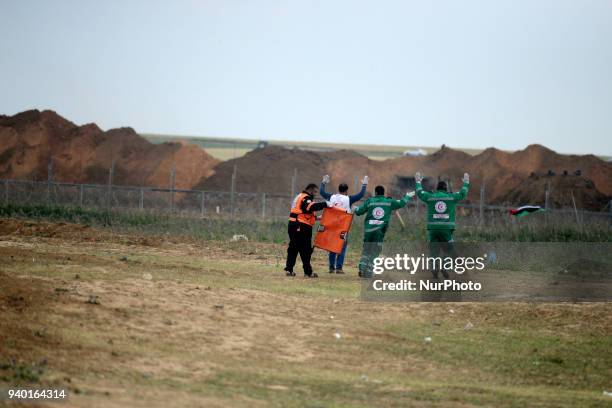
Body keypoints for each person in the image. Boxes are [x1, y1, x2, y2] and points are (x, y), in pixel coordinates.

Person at [415, 172, 470, 278]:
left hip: (433, 229)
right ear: (446, 189)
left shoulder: (431, 197)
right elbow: (463, 193)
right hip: (446, 230)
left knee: (433, 250)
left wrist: (418, 182)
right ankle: (444, 266)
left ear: (437, 188)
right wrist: (466, 182)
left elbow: (420, 193)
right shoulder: (451, 197)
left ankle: (434, 270)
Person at [354, 185, 415, 278]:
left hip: (368, 231)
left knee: (366, 251)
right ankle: (368, 272)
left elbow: (358, 212)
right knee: (374, 252)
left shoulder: (370, 201)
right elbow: (402, 203)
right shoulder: (389, 202)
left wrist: (355, 208)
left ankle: (362, 268)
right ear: (383, 193)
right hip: (379, 232)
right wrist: (407, 196)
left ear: (376, 193)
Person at [319, 174, 368, 274]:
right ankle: (339, 268)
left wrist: (323, 183)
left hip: (331, 226)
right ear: (346, 190)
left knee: (332, 246)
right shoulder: (349, 199)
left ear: (338, 189)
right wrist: (364, 185)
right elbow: (361, 195)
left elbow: (321, 192)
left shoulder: (331, 197)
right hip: (342, 227)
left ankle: (331, 268)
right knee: (342, 247)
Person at [284, 183, 328, 278]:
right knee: (306, 250)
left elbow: (303, 212)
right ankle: (308, 272)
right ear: (311, 190)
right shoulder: (306, 197)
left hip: (293, 224)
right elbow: (309, 207)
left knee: (293, 248)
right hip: (301, 226)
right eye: (315, 192)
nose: (315, 194)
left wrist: (317, 218)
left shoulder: (299, 196)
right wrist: (326, 204)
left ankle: (289, 269)